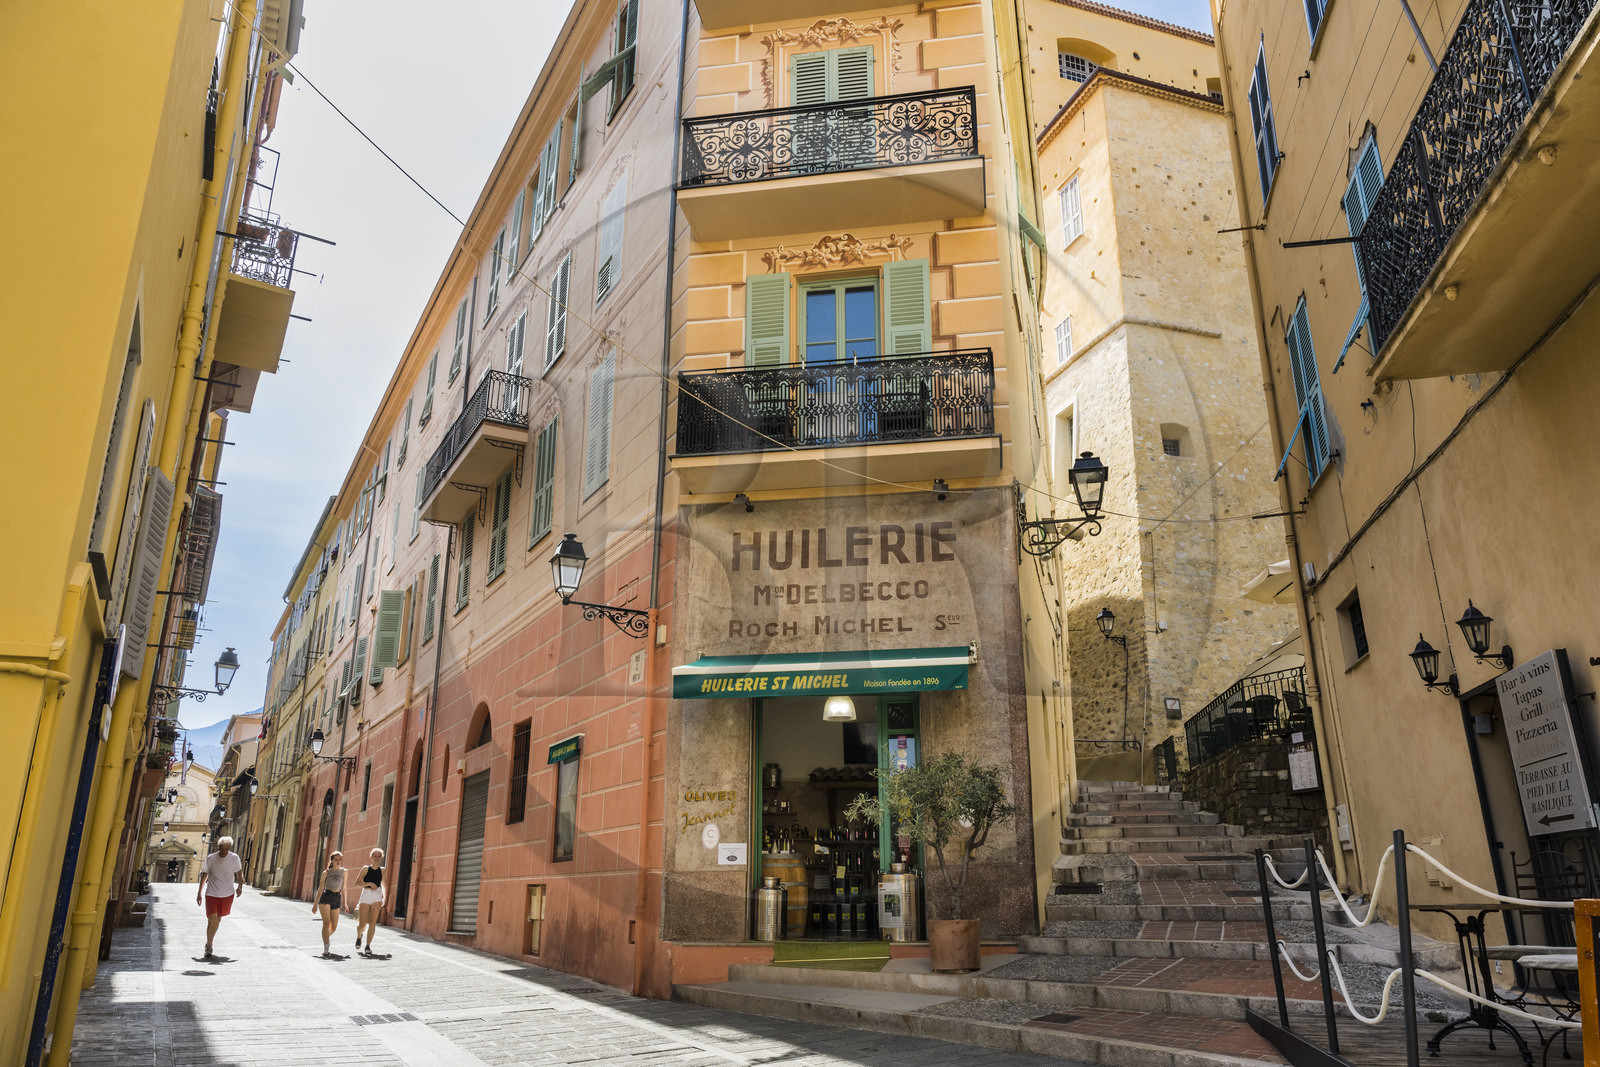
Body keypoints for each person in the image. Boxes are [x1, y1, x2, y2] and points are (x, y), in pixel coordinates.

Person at [197, 836, 244, 959]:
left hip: (227, 894)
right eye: (221, 849)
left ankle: (209, 942)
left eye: (226, 849)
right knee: (212, 919)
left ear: (229, 848)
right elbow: (204, 875)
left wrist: (240, 887)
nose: (223, 852)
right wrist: (199, 893)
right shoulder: (211, 858)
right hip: (212, 893)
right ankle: (209, 946)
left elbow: (240, 874)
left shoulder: (234, 858)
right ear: (218, 847)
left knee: (217, 920)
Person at [312, 851, 346, 957]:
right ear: (331, 860)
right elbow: (321, 888)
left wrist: (345, 903)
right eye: (336, 859)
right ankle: (326, 946)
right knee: (326, 924)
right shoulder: (326, 872)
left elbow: (344, 888)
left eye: (340, 859)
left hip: (337, 897)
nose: (338, 861)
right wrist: (315, 904)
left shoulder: (344, 871)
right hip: (326, 897)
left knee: (334, 927)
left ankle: (325, 936)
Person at [353, 848, 385, 955]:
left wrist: (384, 898)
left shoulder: (383, 870)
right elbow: (357, 883)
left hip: (377, 896)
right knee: (362, 924)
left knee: (372, 923)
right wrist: (369, 884)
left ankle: (368, 946)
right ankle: (359, 936)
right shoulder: (365, 869)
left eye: (379, 856)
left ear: (381, 858)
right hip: (366, 895)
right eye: (375, 856)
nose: (377, 858)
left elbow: (384, 884)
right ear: (371, 857)